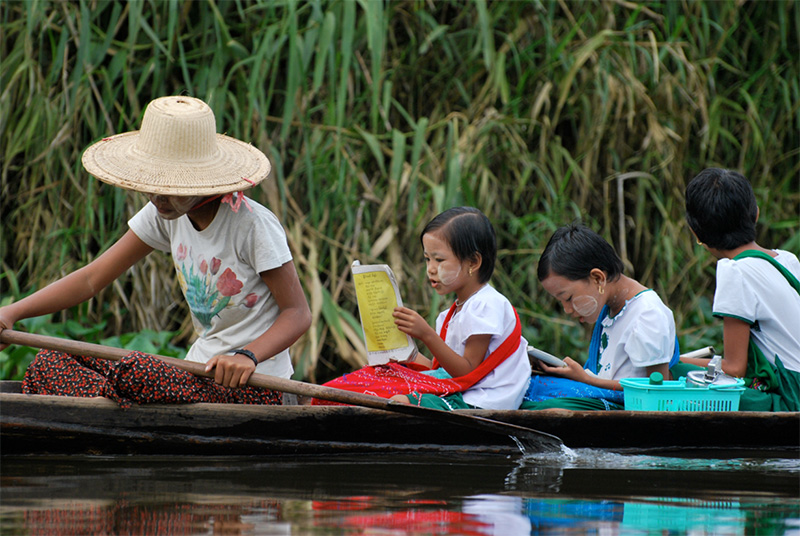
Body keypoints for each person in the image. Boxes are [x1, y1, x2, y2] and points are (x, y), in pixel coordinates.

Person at [0, 96, 311, 406]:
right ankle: (115, 410)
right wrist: (11, 312)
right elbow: (91, 279)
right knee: (49, 363)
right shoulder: (166, 214)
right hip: (196, 373)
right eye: (152, 185)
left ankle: (116, 406)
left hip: (255, 385)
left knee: (138, 372)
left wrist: (247, 356)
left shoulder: (251, 225)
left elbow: (297, 313)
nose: (157, 197)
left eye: (170, 188)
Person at [314, 207, 531, 411]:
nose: (431, 269)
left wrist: (426, 334)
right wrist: (401, 355)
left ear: (473, 262)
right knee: (378, 374)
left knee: (400, 401)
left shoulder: (487, 305)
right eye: (427, 259)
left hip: (482, 398)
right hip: (462, 389)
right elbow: (442, 367)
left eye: (439, 260)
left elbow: (467, 371)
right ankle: (316, 401)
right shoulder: (450, 314)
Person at [522, 223, 679, 411]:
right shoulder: (611, 309)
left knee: (549, 403)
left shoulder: (647, 314)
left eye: (568, 298)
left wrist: (585, 379)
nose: (567, 310)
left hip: (629, 410)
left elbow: (655, 390)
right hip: (603, 397)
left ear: (597, 278)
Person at [683, 167, 800, 411]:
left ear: (696, 233)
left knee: (672, 369)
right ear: (755, 214)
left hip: (792, 396)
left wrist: (678, 361)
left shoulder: (733, 270)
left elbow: (735, 368)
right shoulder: (788, 260)